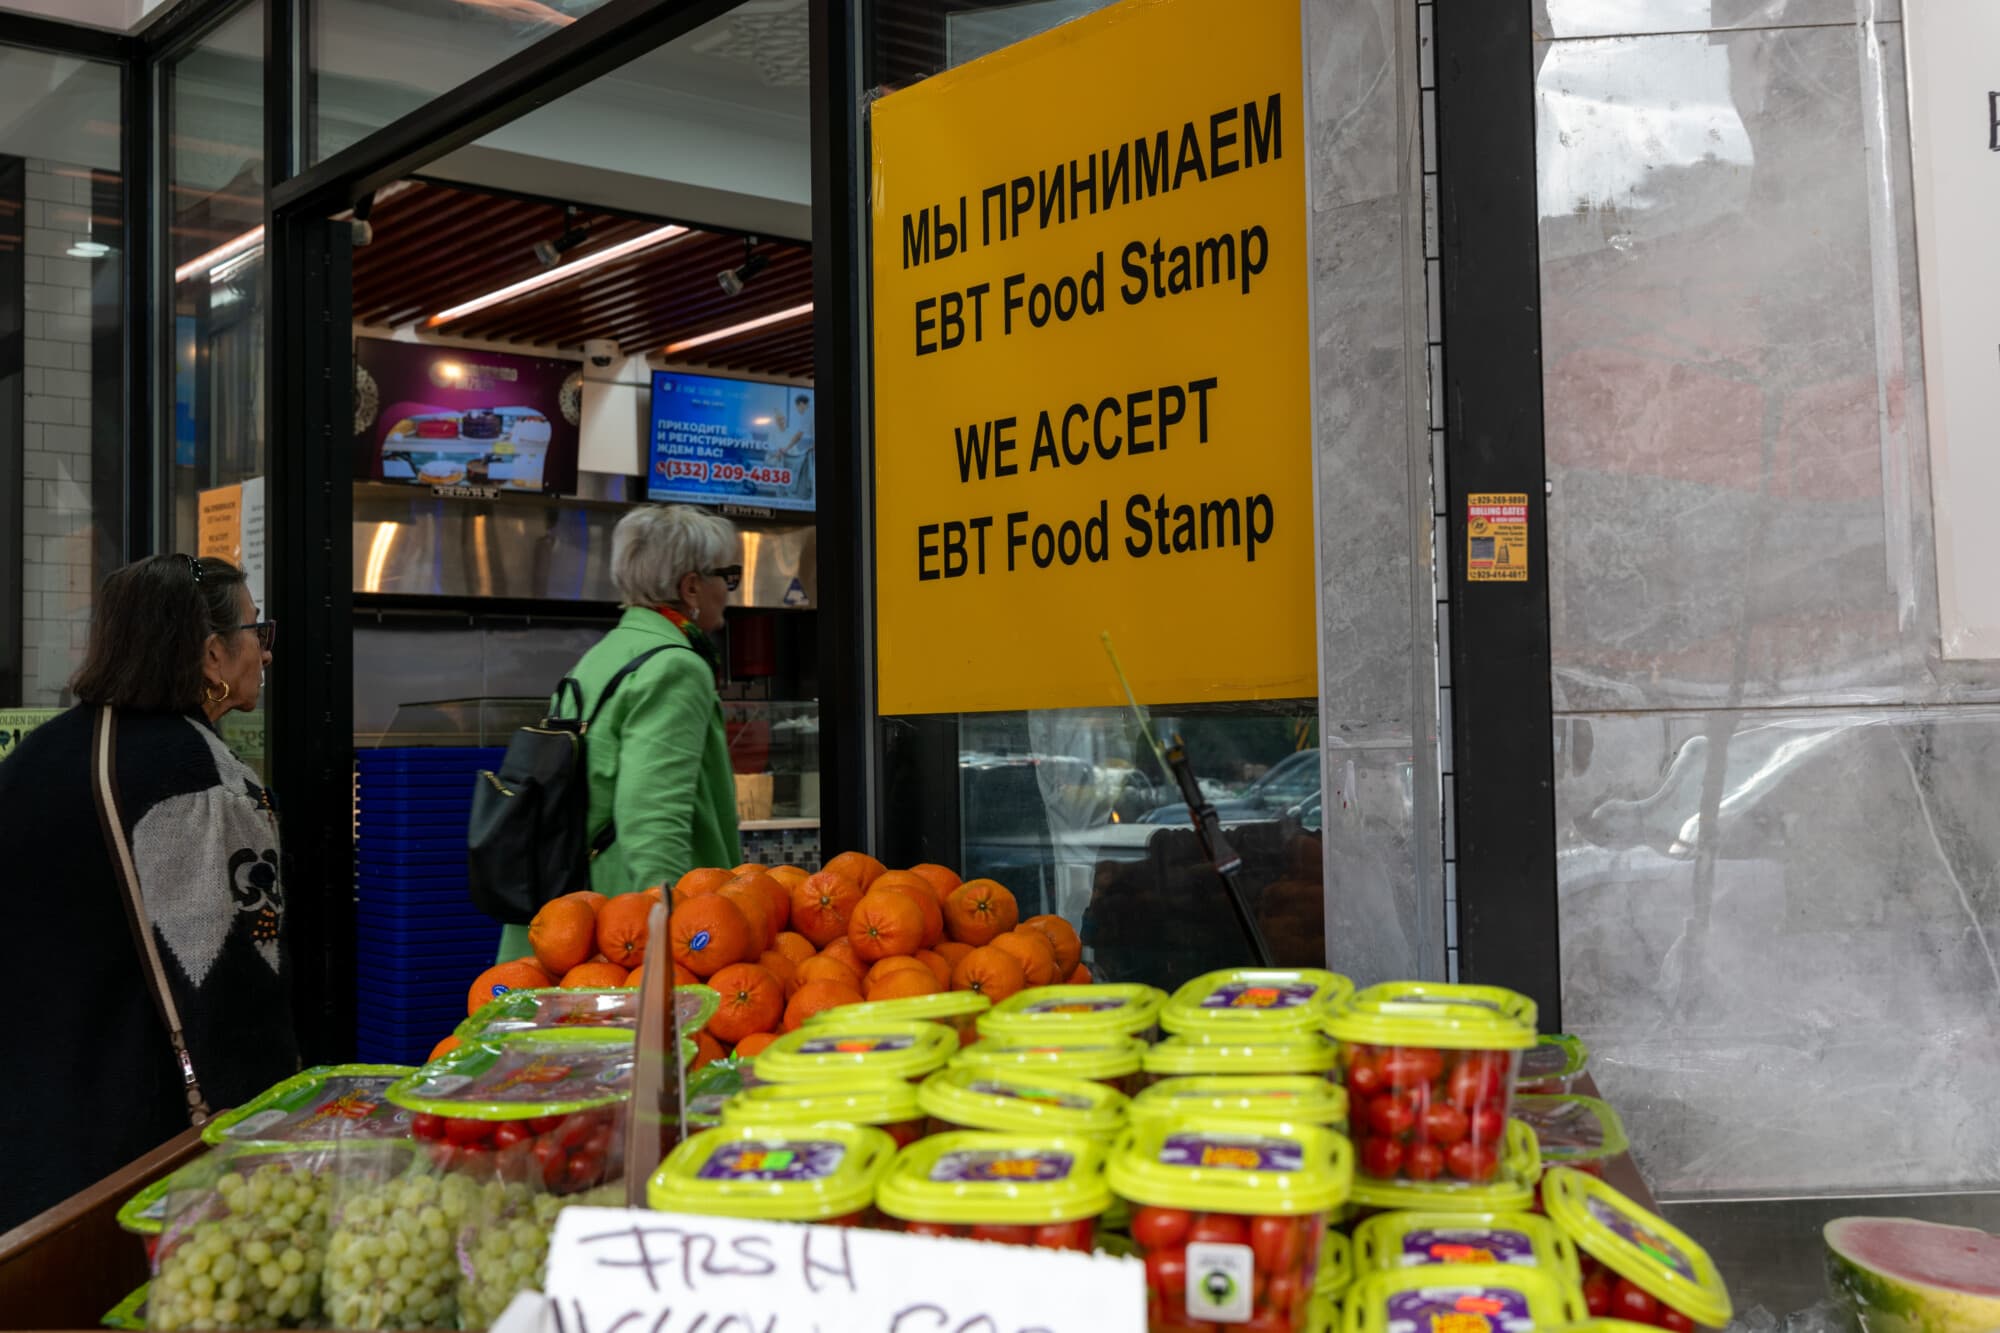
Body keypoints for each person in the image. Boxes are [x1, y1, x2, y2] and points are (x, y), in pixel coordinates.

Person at [0, 555, 295, 1232]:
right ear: (213, 653)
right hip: (139, 1159)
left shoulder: (37, 759)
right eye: (258, 629)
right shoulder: (202, 782)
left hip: (28, 1145)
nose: (266, 651)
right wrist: (271, 1139)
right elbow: (232, 982)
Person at [498, 505, 744, 961]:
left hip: (570, 920)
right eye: (727, 576)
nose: (729, 592)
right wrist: (673, 947)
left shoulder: (604, 655)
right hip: (625, 932)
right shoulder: (674, 666)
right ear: (691, 587)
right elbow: (653, 821)